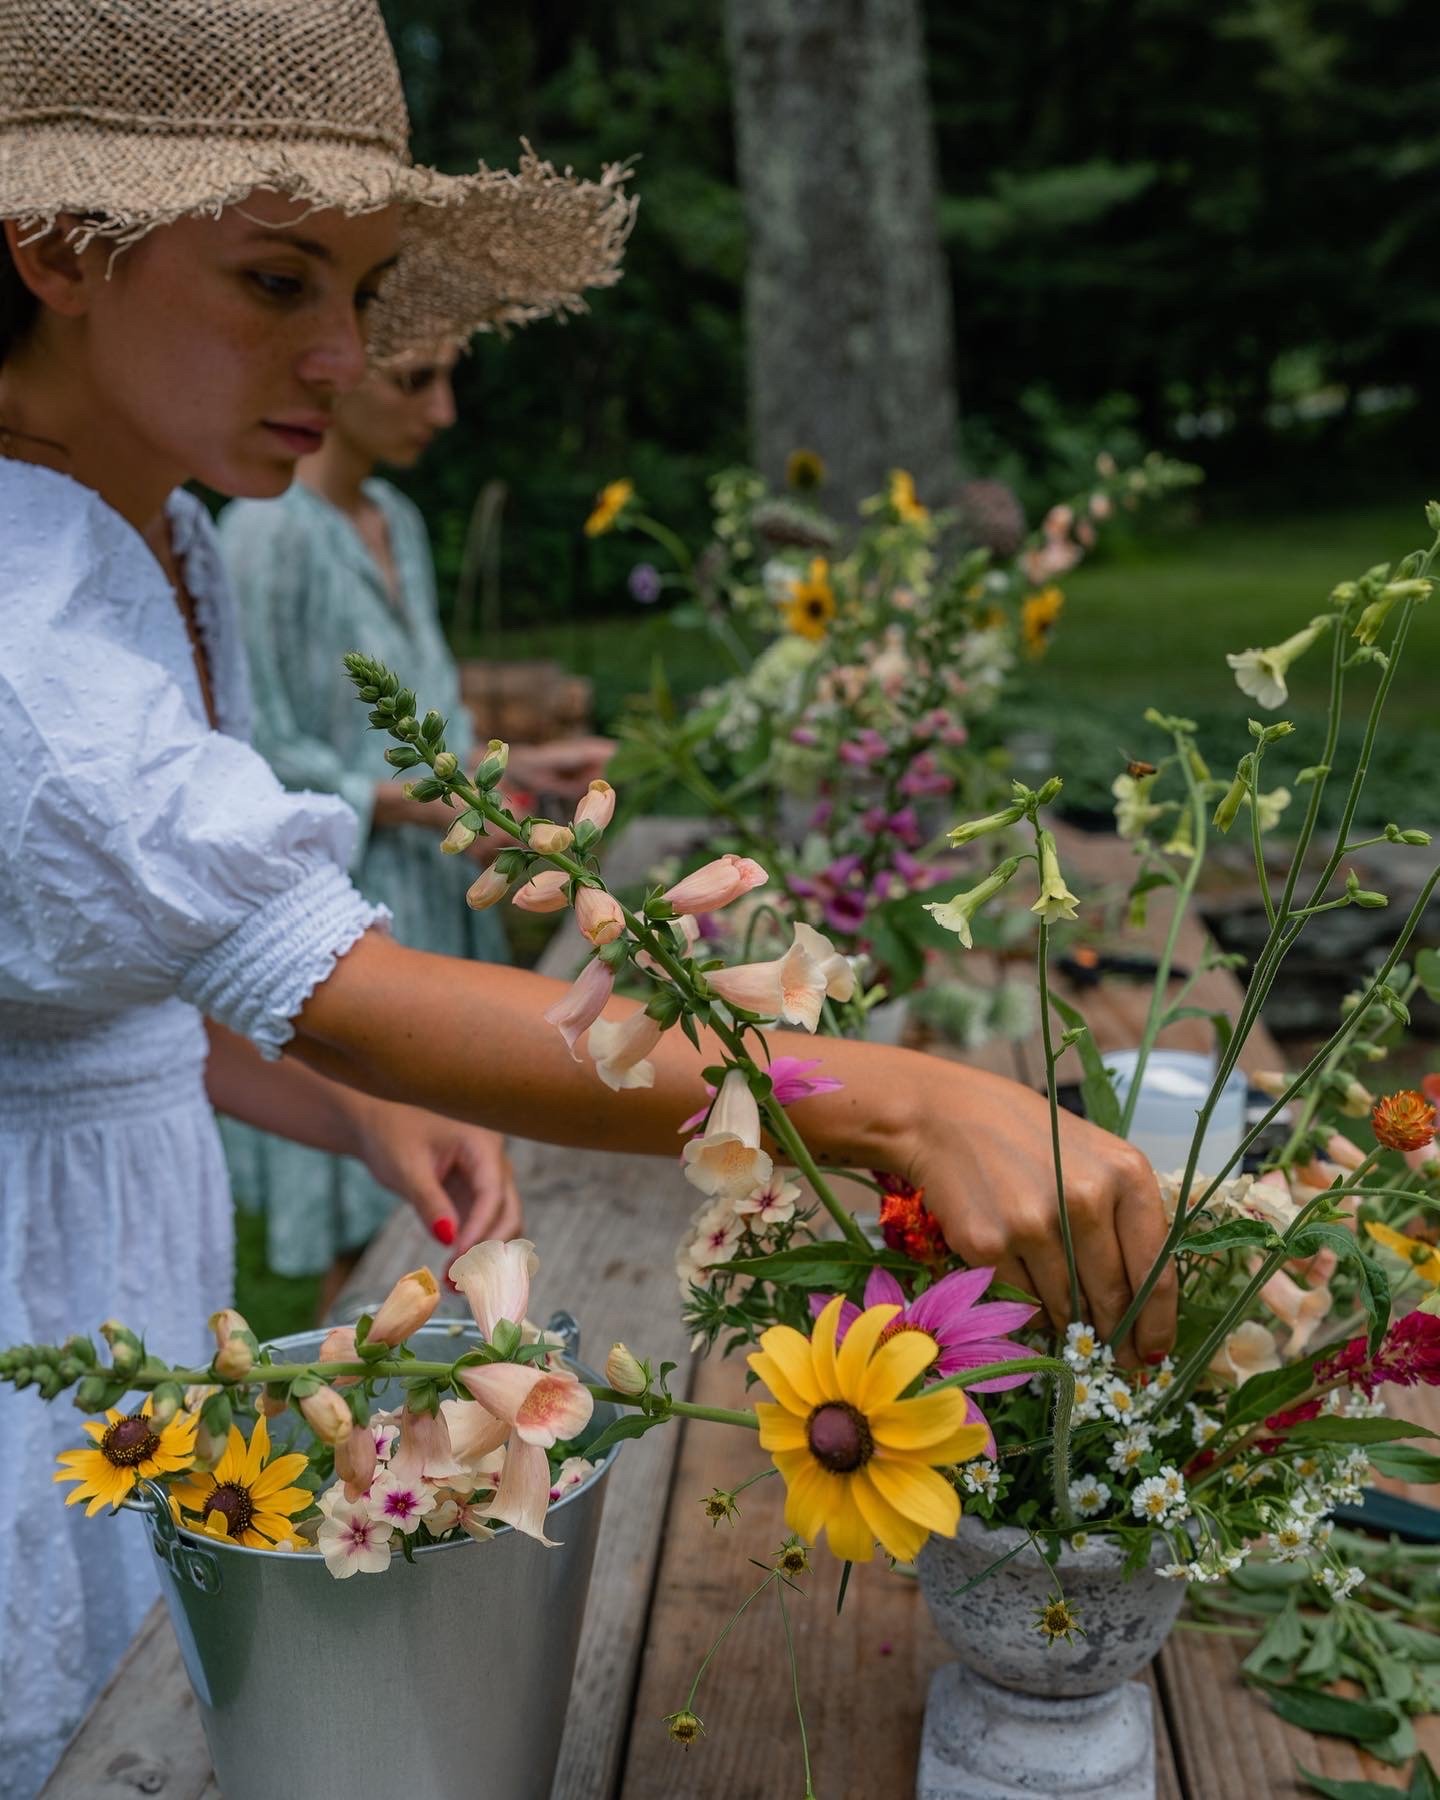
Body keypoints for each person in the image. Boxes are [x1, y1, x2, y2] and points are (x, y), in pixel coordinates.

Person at [0, 1, 1172, 1790]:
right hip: (34, 1285)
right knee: (86, 1708)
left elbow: (122, 973)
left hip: (121, 1235)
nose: (341, 356)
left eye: (365, 296)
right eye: (279, 282)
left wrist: (358, 1110)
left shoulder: (144, 525)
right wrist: (906, 1102)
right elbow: (329, 967)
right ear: (59, 248)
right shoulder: (25, 629)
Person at [217, 346, 612, 1302]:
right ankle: (354, 1433)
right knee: (370, 1230)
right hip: (338, 926)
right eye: (412, 380)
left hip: (440, 899)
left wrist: (503, 771)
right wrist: (413, 803)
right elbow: (242, 755)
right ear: (338, 371)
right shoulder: (261, 533)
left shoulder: (396, 517)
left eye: (448, 380)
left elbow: (423, 715)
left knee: (463, 1202)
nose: (441, 411)